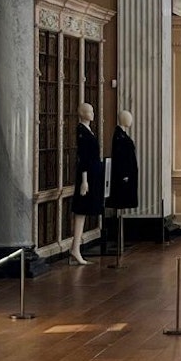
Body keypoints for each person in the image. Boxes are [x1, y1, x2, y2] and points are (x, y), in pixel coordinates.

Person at [70, 103, 104, 265]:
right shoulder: (82, 132)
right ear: (82, 113)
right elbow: (83, 158)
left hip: (92, 176)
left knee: (82, 211)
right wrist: (84, 181)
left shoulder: (88, 131)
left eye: (92, 110)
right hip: (87, 177)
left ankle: (75, 247)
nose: (92, 113)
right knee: (81, 209)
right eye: (89, 111)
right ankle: (75, 248)